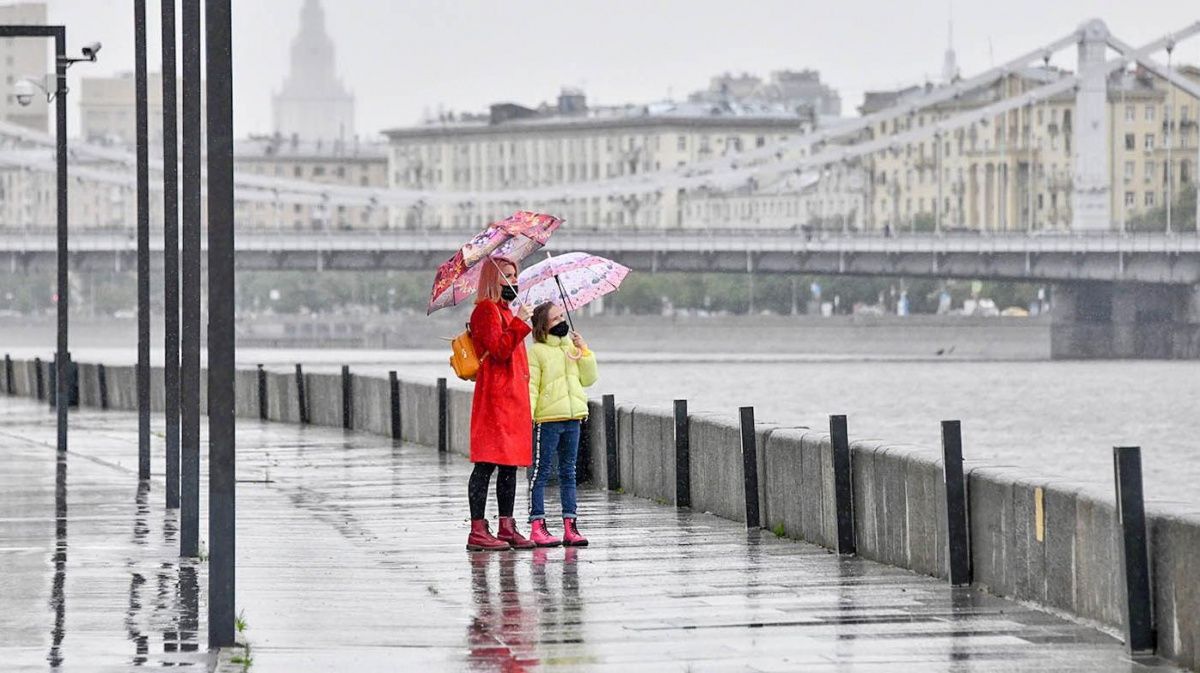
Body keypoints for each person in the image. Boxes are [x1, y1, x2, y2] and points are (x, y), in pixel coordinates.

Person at [465, 256, 536, 551]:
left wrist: (517, 319)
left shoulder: (506, 311)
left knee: (509, 466)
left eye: (515, 275)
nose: (513, 281)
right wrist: (521, 323)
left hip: (513, 398)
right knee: (486, 464)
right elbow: (500, 350)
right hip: (495, 399)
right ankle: (478, 530)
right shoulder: (486, 310)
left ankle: (507, 526)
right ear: (492, 280)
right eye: (507, 276)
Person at [526, 302, 598, 547]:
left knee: (569, 473)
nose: (561, 322)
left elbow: (589, 379)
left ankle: (570, 526)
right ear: (543, 325)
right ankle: (537, 525)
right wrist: (528, 415)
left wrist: (584, 351)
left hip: (573, 417)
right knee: (540, 472)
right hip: (547, 420)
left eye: (561, 317)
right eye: (555, 319)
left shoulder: (571, 348)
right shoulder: (536, 352)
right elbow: (531, 386)